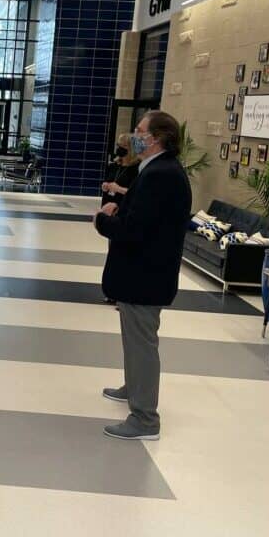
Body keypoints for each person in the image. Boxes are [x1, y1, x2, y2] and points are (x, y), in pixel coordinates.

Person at [94, 110, 192, 441]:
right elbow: (145, 217)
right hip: (142, 273)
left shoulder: (161, 174)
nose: (134, 136)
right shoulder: (155, 169)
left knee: (142, 346)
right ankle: (134, 387)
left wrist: (103, 221)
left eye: (139, 131)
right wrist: (119, 210)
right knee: (134, 341)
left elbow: (136, 230)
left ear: (157, 138)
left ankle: (145, 418)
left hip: (145, 275)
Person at [101, 133, 140, 207]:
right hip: (107, 206)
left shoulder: (137, 168)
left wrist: (119, 189)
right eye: (118, 145)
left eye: (124, 145)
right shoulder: (114, 165)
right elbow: (107, 183)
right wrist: (105, 186)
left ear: (132, 149)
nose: (120, 148)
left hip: (123, 207)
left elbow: (137, 193)